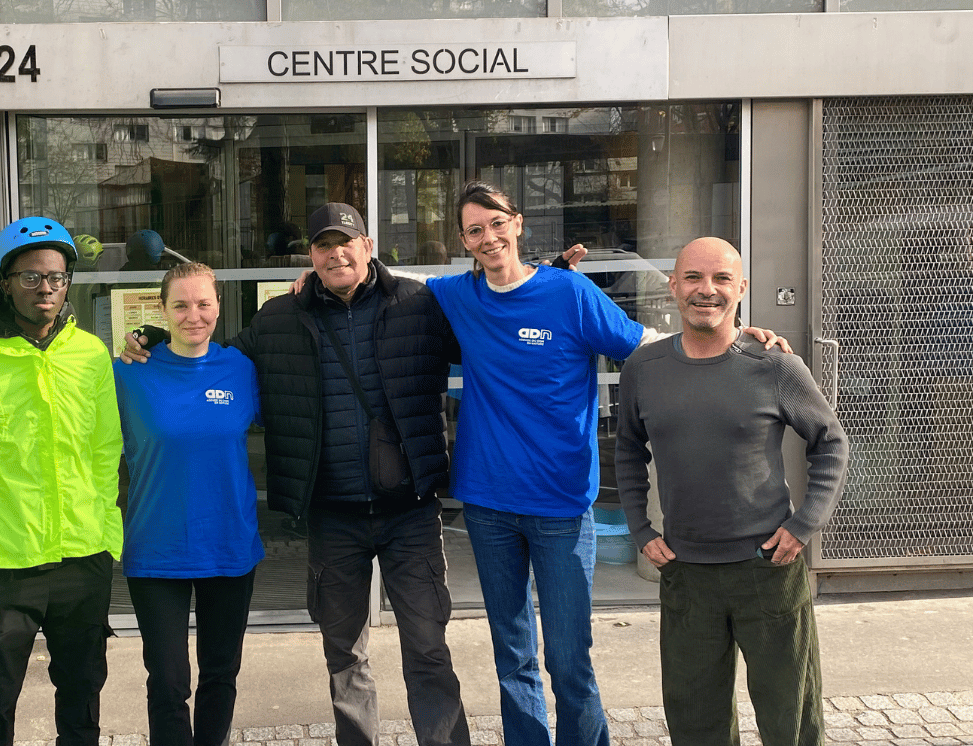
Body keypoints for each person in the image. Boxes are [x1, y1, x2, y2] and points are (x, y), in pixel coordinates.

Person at [428, 180, 791, 746]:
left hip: (561, 505)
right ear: (464, 240)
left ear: (517, 223)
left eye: (497, 224)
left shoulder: (570, 295)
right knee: (512, 655)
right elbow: (393, 283)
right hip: (487, 501)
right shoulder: (459, 296)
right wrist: (311, 282)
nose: (489, 237)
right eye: (475, 230)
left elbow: (647, 343)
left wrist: (735, 332)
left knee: (570, 659)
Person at [125, 202, 470, 746]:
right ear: (310, 255)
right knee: (344, 656)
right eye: (324, 245)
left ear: (368, 247)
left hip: (410, 513)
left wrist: (543, 284)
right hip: (333, 518)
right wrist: (149, 337)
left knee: (427, 647)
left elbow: (483, 330)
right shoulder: (279, 319)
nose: (336, 253)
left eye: (346, 242)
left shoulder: (418, 303)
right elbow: (205, 358)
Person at [615, 237, 848, 746]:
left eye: (722, 278)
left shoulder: (776, 366)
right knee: (696, 721)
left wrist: (804, 524)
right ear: (673, 286)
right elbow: (627, 451)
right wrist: (640, 529)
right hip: (685, 571)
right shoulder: (643, 370)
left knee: (790, 715)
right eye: (694, 278)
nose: (707, 290)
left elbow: (831, 442)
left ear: (741, 289)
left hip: (769, 567)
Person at [0, 216, 123, 746]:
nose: (45, 288)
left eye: (57, 277)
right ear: (5, 281)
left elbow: (106, 451)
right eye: (30, 277)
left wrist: (109, 537)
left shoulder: (90, 354)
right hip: (5, 564)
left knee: (82, 693)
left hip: (82, 557)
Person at [113, 262, 264, 746]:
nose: (192, 315)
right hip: (156, 548)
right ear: (162, 309)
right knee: (169, 681)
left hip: (229, 544)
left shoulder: (241, 368)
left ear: (219, 306)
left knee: (221, 672)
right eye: (180, 304)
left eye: (203, 303)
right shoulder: (129, 371)